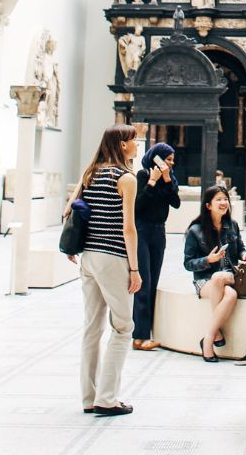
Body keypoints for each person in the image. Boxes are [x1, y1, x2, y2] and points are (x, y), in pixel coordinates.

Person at [65, 125, 140, 417]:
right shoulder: (126, 178)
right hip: (113, 256)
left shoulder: (90, 172)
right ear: (122, 145)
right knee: (123, 327)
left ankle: (88, 397)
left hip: (89, 257)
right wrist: (134, 268)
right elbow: (129, 229)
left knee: (92, 327)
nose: (136, 145)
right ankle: (107, 399)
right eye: (134, 140)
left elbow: (70, 211)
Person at [183, 185, 246, 362]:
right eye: (219, 199)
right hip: (204, 281)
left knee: (220, 277)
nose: (224, 203)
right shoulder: (195, 231)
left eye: (225, 199)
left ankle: (208, 339)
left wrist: (244, 254)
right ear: (208, 205)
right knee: (230, 295)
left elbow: (241, 248)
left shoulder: (232, 226)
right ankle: (215, 334)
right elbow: (188, 263)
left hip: (229, 275)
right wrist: (208, 260)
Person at [131, 142, 180, 350]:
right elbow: (138, 206)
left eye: (172, 160)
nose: (171, 163)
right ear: (156, 158)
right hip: (142, 230)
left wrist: (167, 180)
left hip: (159, 231)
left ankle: (147, 332)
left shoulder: (170, 179)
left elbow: (175, 203)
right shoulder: (142, 175)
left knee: (153, 280)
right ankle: (139, 336)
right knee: (143, 282)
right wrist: (152, 182)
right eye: (167, 159)